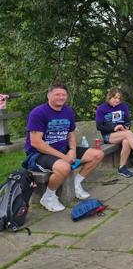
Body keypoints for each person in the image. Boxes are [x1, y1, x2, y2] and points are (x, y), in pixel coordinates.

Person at [23, 84, 104, 212]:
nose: (61, 97)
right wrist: (64, 157)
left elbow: (70, 134)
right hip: (39, 154)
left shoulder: (68, 111)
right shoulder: (38, 113)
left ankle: (76, 184)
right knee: (64, 167)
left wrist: (72, 150)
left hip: (63, 149)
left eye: (63, 95)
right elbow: (36, 143)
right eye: (57, 94)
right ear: (49, 95)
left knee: (97, 155)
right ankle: (48, 197)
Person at [96, 87, 133, 178]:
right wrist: (114, 127)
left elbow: (127, 121)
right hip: (109, 135)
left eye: (119, 98)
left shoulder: (123, 106)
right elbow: (99, 126)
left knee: (126, 141)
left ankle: (122, 167)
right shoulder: (102, 108)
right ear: (109, 97)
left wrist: (126, 126)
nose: (117, 100)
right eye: (114, 98)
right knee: (128, 134)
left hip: (123, 133)